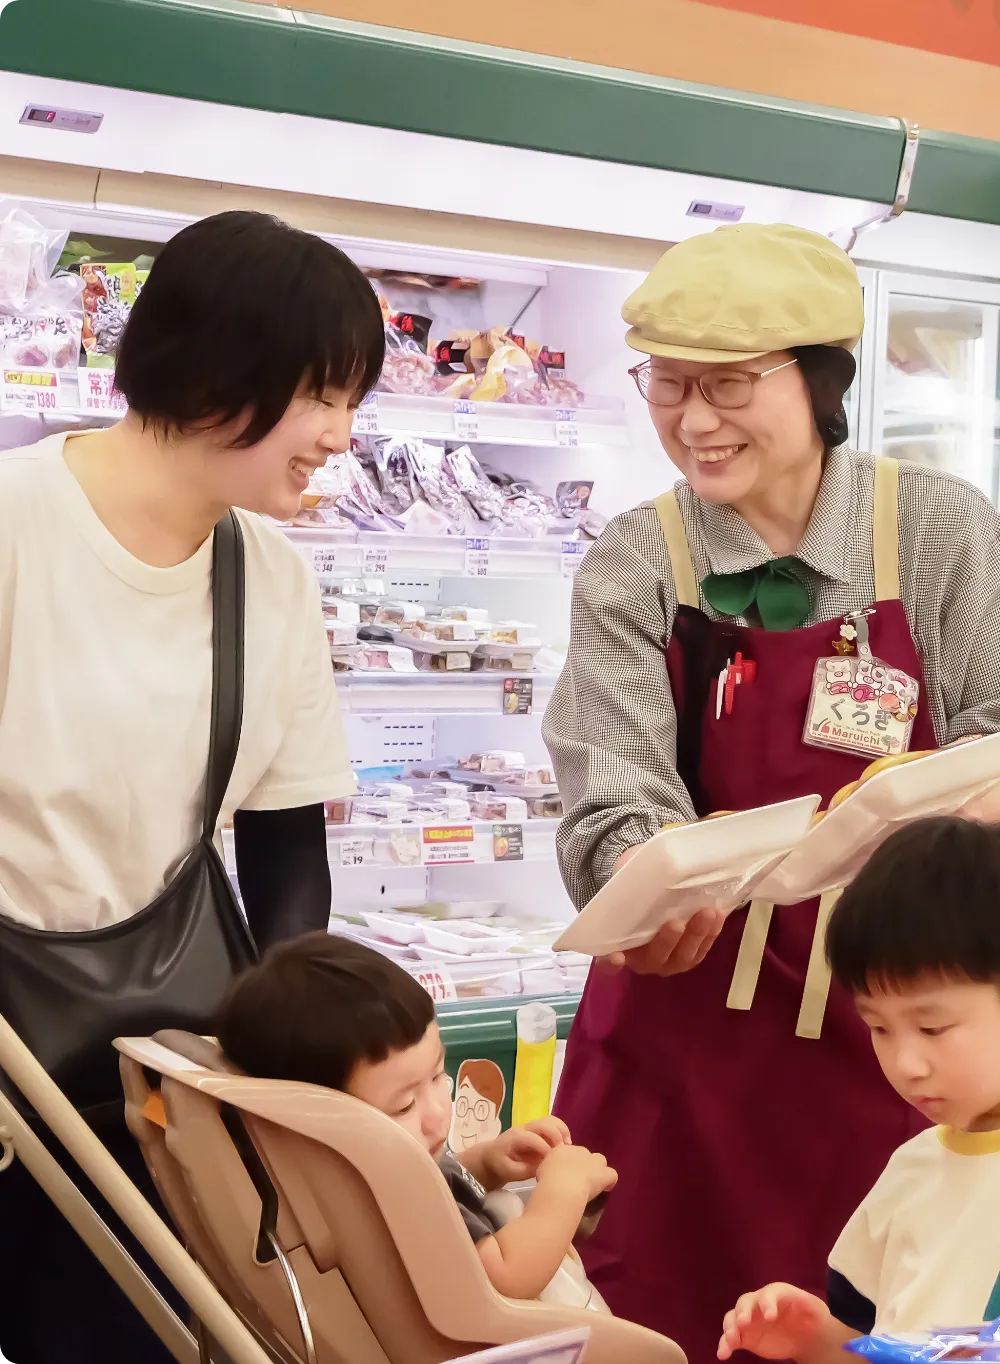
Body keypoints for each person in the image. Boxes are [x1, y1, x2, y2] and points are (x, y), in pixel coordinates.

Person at [542, 222, 1000, 1361]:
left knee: (870, 1323)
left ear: (821, 377)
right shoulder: (635, 559)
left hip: (886, 1024)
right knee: (653, 1322)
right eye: (667, 383)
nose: (694, 420)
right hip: (678, 1036)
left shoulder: (937, 529)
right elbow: (615, 789)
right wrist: (639, 892)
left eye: (730, 385)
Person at [0, 209, 383, 1364]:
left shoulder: (268, 577)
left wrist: (291, 1055)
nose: (339, 433)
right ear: (219, 370)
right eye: (320, 393)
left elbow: (281, 837)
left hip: (160, 1072)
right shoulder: (17, 522)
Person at [719, 816, 1000, 1360]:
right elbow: (886, 1347)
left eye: (933, 1027)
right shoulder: (913, 1169)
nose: (906, 1064)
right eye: (879, 1028)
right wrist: (821, 1341)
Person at [216, 932, 618, 1301]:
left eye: (438, 1073)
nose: (438, 1111)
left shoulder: (358, 1172)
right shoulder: (397, 1197)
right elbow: (505, 1278)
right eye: (405, 1105)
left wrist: (485, 1165)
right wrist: (564, 1191)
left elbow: (439, 1179)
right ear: (316, 1125)